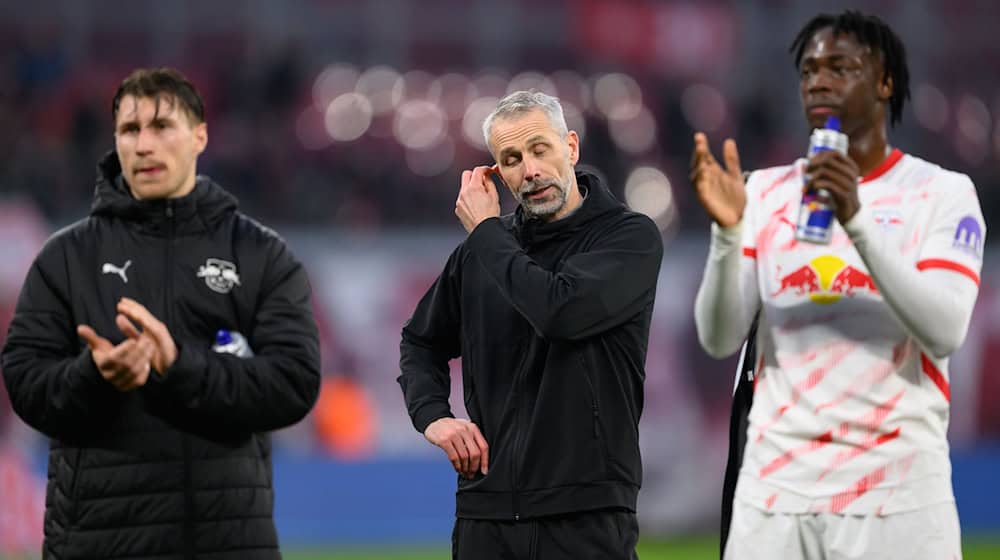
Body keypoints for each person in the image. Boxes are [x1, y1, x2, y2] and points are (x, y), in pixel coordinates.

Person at [691, 11, 985, 560]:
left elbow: (945, 330)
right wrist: (728, 233)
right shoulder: (765, 192)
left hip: (897, 496)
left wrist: (857, 220)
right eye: (807, 71)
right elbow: (719, 338)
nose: (818, 81)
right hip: (773, 494)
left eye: (840, 67)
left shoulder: (940, 194)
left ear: (885, 82)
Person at [1, 67, 321, 559]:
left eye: (161, 126)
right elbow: (25, 384)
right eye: (130, 129)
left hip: (227, 545)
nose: (144, 144)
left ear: (199, 137)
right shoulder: (65, 258)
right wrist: (96, 375)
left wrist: (177, 366)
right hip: (97, 545)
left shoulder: (260, 255)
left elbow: (294, 385)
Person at [398, 90, 663, 559]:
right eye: (512, 159)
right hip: (486, 514)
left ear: (572, 148)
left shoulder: (629, 238)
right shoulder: (479, 255)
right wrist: (433, 416)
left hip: (586, 515)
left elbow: (560, 312)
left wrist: (485, 233)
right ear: (498, 174)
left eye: (541, 149)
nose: (531, 170)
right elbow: (420, 341)